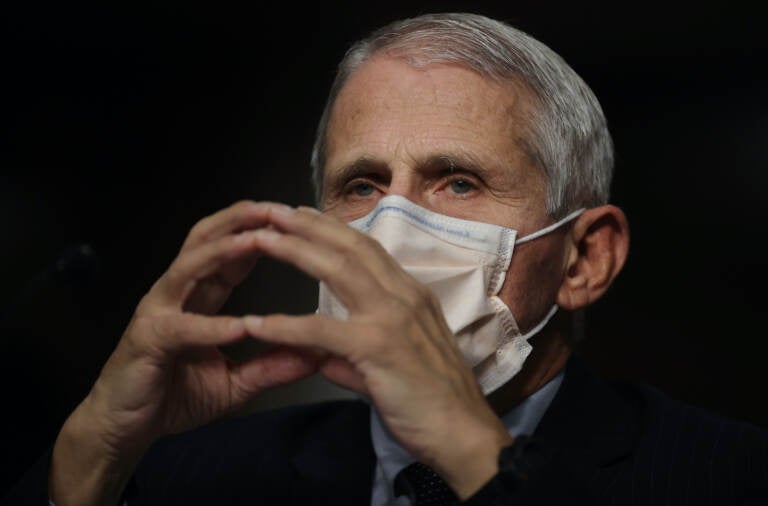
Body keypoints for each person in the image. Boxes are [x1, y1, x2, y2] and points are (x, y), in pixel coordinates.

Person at [3, 11, 766, 506]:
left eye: (458, 181)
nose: (392, 231)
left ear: (583, 261)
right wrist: (95, 446)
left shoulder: (725, 476)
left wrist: (469, 448)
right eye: (362, 186)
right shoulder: (193, 479)